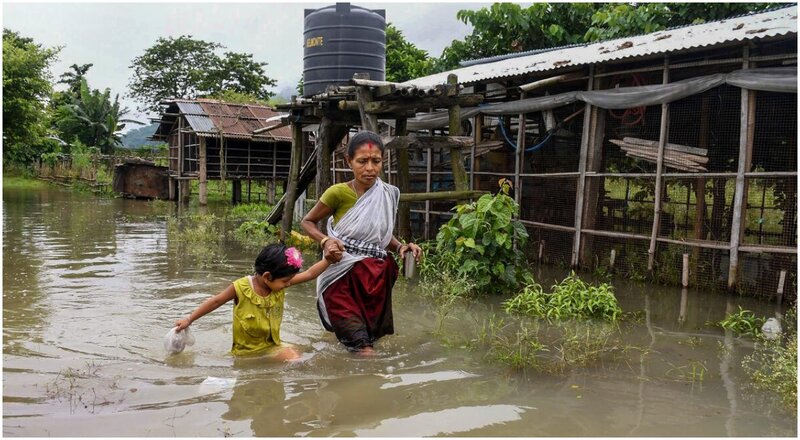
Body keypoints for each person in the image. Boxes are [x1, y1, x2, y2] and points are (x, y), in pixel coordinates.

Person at [301, 130, 422, 355]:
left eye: (376, 161)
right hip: (340, 280)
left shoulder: (387, 193)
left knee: (365, 342)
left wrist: (401, 247)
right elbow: (307, 222)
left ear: (382, 161)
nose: (369, 168)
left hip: (372, 281)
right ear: (349, 161)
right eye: (362, 161)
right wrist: (326, 240)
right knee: (365, 351)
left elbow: (382, 237)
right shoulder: (337, 193)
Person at [173, 243, 329, 360]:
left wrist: (328, 259)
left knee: (298, 358)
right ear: (268, 276)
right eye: (286, 281)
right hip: (245, 353)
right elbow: (215, 301)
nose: (289, 283)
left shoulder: (278, 285)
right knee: (295, 360)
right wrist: (189, 319)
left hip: (272, 345)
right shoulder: (240, 287)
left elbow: (310, 274)